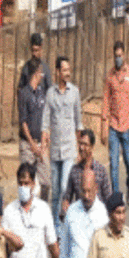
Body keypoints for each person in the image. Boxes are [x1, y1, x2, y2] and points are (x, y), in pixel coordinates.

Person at [101, 40, 129, 203]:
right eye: (115, 56)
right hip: (113, 125)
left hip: (127, 125)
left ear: (124, 55)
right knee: (113, 164)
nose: (118, 58)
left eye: (120, 55)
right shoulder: (110, 76)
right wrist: (103, 125)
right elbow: (106, 100)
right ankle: (116, 197)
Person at [44, 57, 82, 217]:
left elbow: (78, 122)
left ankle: (63, 224)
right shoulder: (50, 94)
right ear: (58, 72)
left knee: (65, 187)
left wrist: (79, 149)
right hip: (54, 150)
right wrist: (44, 142)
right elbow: (45, 121)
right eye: (64, 70)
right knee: (55, 191)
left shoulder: (75, 92)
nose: (67, 73)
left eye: (69, 70)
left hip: (69, 149)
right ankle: (54, 225)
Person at [16, 59, 48, 202]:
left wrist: (44, 141)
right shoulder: (23, 94)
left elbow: (45, 117)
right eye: (41, 72)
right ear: (37, 73)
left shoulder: (41, 92)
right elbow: (23, 122)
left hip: (41, 144)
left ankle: (43, 208)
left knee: (46, 181)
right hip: (28, 145)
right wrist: (32, 144)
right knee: (26, 182)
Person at [60, 129, 110, 218]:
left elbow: (108, 198)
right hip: (80, 218)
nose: (81, 148)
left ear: (92, 147)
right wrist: (65, 207)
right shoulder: (74, 171)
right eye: (80, 143)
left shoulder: (101, 171)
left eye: (85, 144)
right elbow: (67, 196)